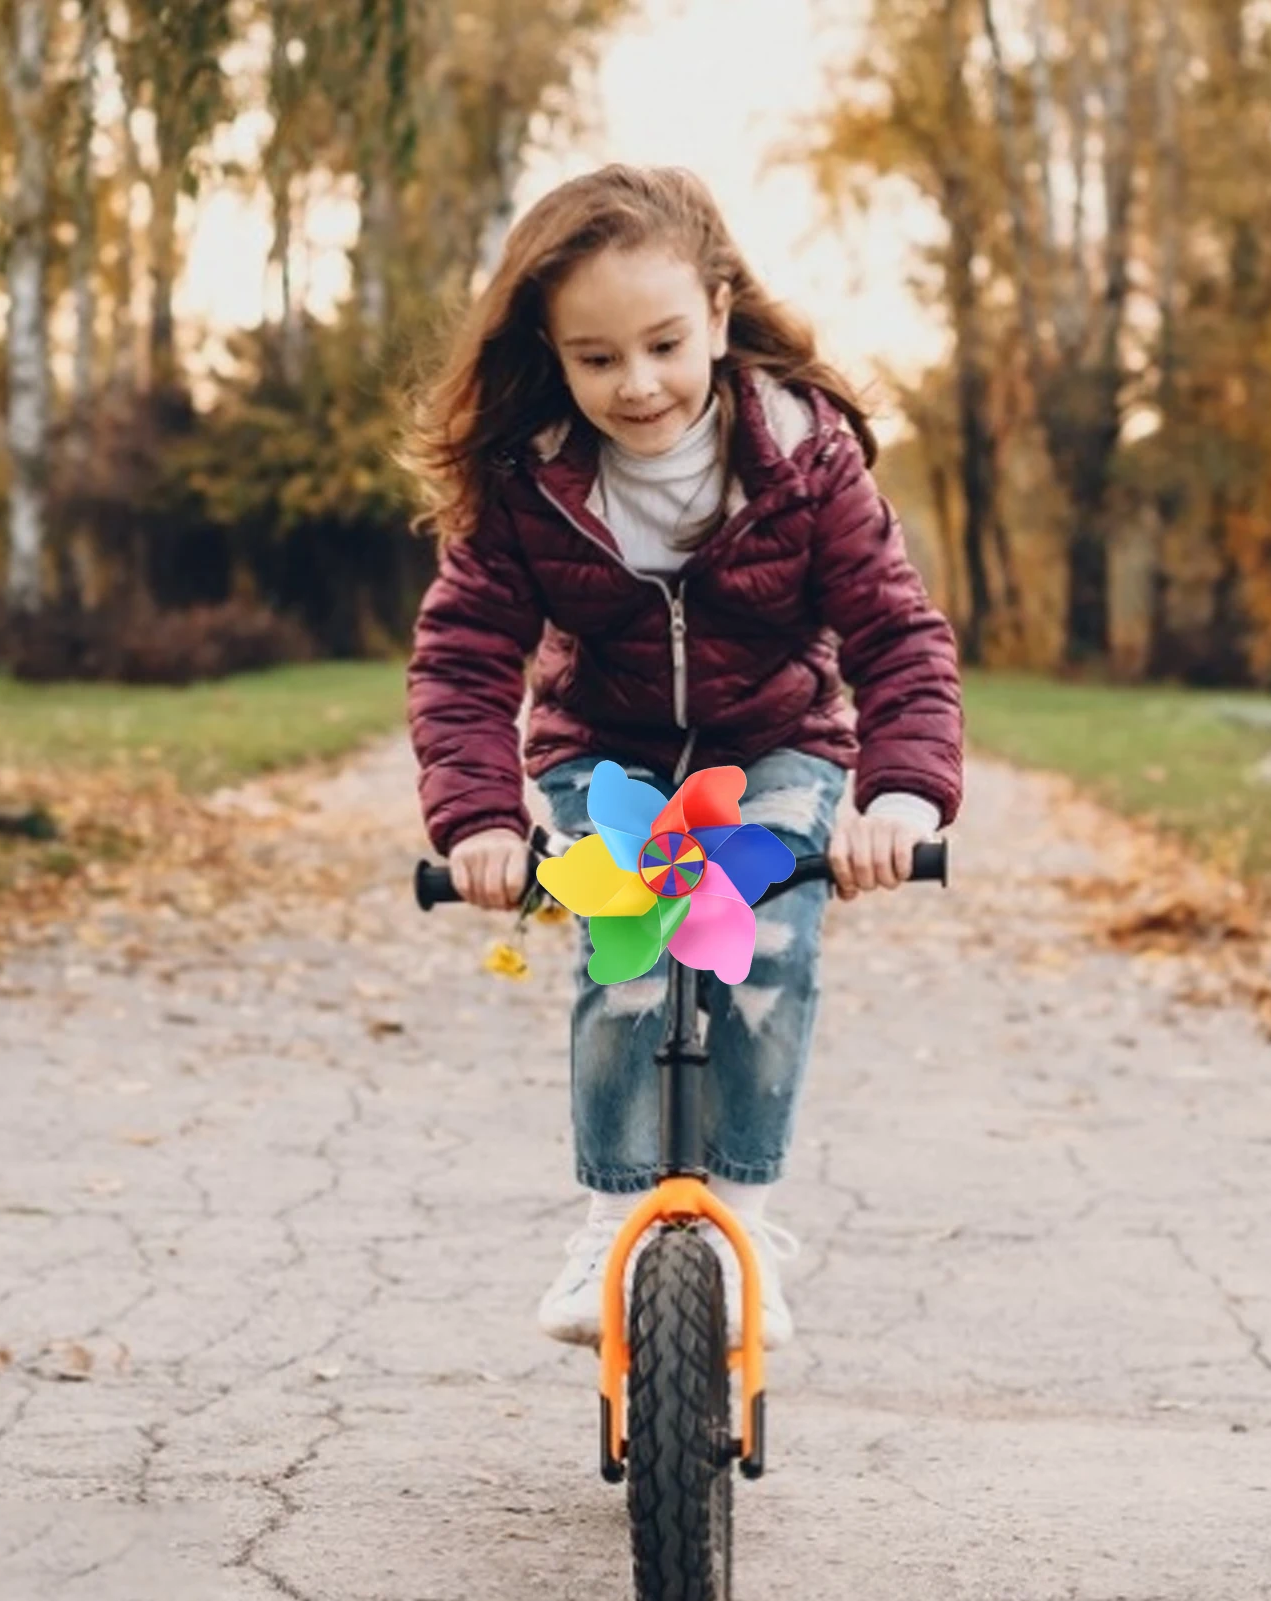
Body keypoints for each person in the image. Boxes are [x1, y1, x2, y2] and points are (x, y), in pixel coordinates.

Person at [403, 164, 962, 1350]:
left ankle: (742, 1220)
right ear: (552, 355)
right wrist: (483, 824)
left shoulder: (807, 460)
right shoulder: (531, 479)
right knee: (633, 942)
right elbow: (460, 655)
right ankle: (610, 1220)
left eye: (662, 342)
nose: (637, 383)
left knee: (755, 933)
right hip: (602, 750)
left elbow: (896, 633)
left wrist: (899, 794)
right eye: (596, 357)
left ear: (716, 312)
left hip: (777, 743)